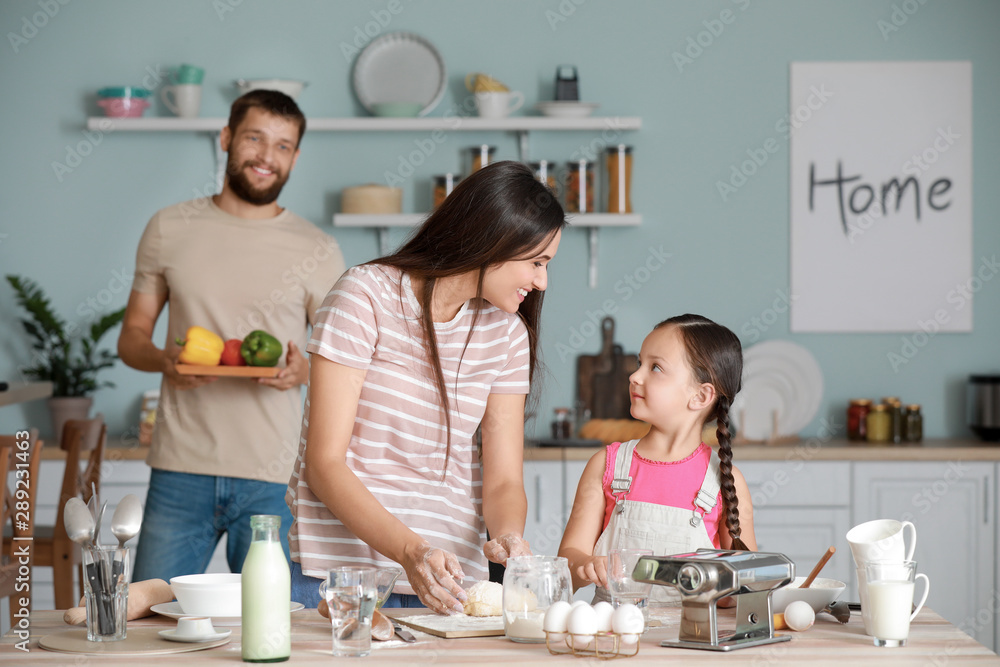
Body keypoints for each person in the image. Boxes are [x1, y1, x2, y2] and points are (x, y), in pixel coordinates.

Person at [286, 161, 566, 614]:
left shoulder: (507, 334)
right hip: (345, 578)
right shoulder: (366, 296)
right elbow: (324, 464)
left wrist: (509, 536)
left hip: (450, 585)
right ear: (491, 241)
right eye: (536, 262)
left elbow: (503, 480)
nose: (542, 282)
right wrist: (411, 553)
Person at [118, 90, 346, 582]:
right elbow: (132, 337)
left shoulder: (318, 248)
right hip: (180, 468)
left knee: (278, 630)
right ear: (226, 138)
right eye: (255, 138)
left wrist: (301, 370)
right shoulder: (168, 228)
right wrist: (165, 361)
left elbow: (344, 362)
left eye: (283, 146)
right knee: (150, 627)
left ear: (296, 157)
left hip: (276, 478)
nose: (267, 156)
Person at [558, 314, 756, 603]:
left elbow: (744, 590)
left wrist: (727, 587)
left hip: (692, 643)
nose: (634, 376)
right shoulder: (606, 465)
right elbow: (568, 563)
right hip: (615, 639)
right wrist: (586, 565)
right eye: (640, 363)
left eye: (655, 368)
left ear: (700, 396)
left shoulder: (725, 482)